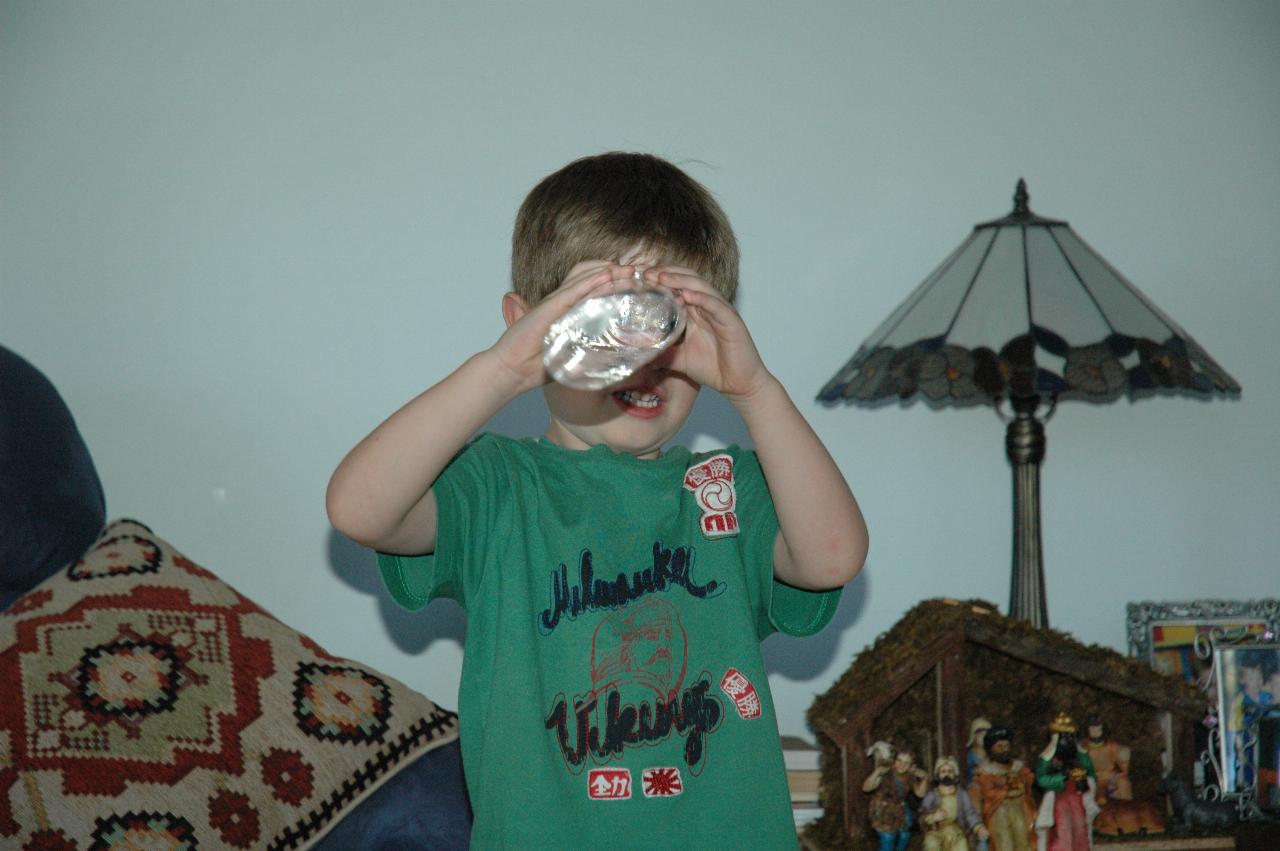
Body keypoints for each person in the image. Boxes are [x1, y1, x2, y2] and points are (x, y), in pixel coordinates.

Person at [326, 152, 869, 848]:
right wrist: (503, 368)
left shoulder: (728, 488)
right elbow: (358, 509)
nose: (641, 356)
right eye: (607, 323)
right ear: (529, 322)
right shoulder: (499, 487)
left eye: (668, 323)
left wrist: (756, 390)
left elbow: (833, 558)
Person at [1033, 714, 1098, 851]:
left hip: (1078, 799)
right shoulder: (1049, 757)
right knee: (1063, 832)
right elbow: (1041, 779)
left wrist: (1083, 780)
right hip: (1059, 799)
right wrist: (1063, 777)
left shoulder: (1079, 755)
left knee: (1080, 831)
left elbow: (1090, 775)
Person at [970, 725, 1036, 851]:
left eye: (1006, 746)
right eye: (1000, 747)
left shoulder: (1017, 767)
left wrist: (1022, 780)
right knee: (1004, 844)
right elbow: (982, 796)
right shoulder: (984, 772)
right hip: (998, 814)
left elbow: (1028, 781)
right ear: (991, 748)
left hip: (1020, 812)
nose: (1004, 750)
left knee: (1024, 842)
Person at [863, 742, 929, 851]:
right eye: (899, 760)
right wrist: (877, 772)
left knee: (905, 834)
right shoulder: (886, 772)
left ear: (911, 764)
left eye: (906, 762)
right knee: (888, 838)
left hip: (899, 807)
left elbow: (920, 793)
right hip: (883, 809)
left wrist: (924, 778)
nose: (902, 765)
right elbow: (866, 788)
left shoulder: (909, 775)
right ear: (894, 760)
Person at [921, 756, 988, 851]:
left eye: (950, 771)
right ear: (938, 774)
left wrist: (978, 827)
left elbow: (970, 813)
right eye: (943, 772)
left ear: (954, 774)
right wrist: (933, 817)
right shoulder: (932, 795)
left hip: (956, 832)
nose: (946, 774)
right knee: (931, 844)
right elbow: (923, 814)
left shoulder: (961, 794)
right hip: (936, 832)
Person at [1081, 720, 1130, 805]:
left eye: (1098, 730)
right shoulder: (1083, 748)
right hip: (1091, 779)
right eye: (1092, 730)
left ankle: (1125, 808)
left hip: (1111, 778)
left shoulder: (1112, 747)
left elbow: (1124, 769)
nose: (1095, 733)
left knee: (1123, 783)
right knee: (1099, 799)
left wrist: (1117, 777)